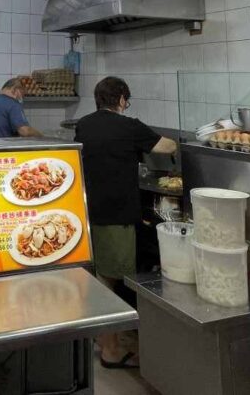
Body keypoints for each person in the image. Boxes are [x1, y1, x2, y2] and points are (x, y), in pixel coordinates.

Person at [75, 76, 177, 369]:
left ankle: (101, 336)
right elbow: (167, 147)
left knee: (97, 272)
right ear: (121, 99)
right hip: (116, 214)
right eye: (126, 100)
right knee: (109, 279)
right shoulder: (129, 126)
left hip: (88, 210)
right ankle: (111, 349)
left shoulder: (84, 124)